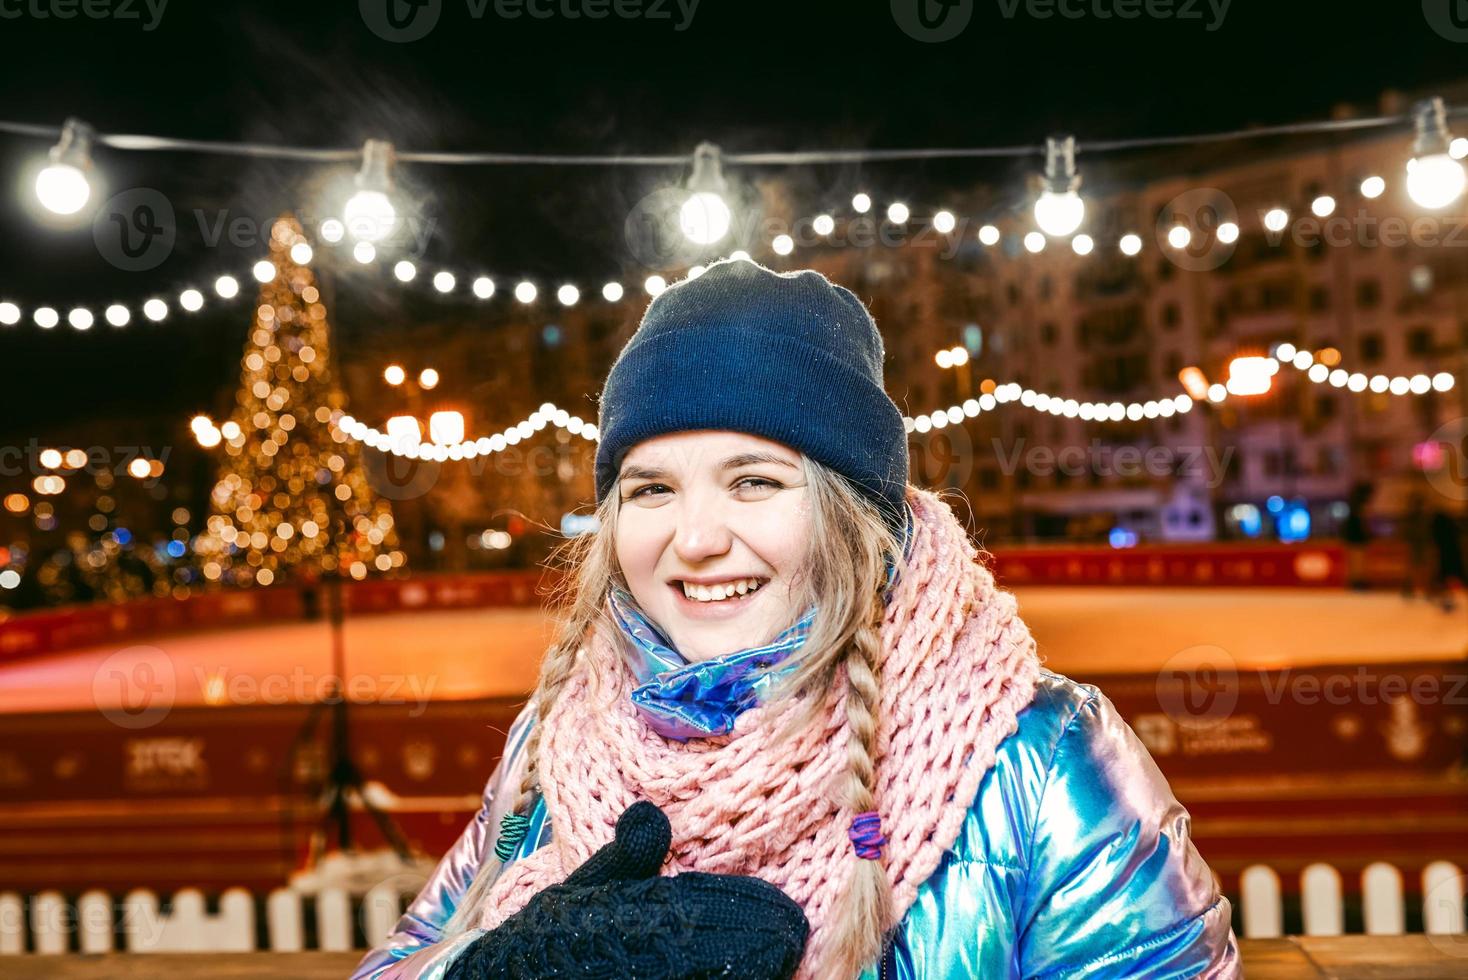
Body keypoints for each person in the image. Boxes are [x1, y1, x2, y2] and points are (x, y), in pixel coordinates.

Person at [354, 258, 1240, 979]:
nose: (694, 538)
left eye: (755, 482)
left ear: (854, 515)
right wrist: (483, 970)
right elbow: (401, 962)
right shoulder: (548, 748)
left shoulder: (1041, 762)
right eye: (651, 489)